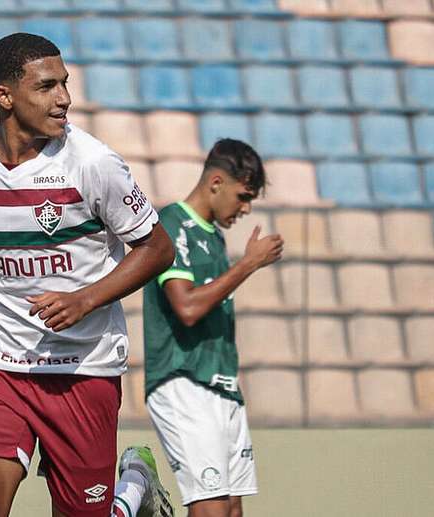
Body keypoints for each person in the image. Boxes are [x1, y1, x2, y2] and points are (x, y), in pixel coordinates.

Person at [0, 33, 174, 517]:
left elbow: (157, 248)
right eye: (47, 86)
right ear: (4, 96)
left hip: (83, 368)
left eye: (64, 84)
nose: (64, 97)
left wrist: (85, 299)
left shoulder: (92, 163)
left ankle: (133, 490)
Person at [142, 139, 284, 517]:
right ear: (217, 182)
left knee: (232, 509)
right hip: (183, 381)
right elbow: (186, 307)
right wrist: (247, 265)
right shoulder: (171, 224)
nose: (247, 208)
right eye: (243, 196)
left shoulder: (214, 237)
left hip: (222, 386)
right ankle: (134, 487)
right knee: (212, 509)